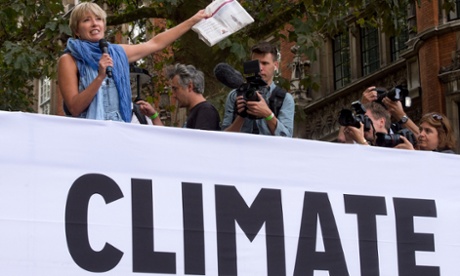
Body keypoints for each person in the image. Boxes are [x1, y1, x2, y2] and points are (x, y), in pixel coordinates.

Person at [58, 2, 209, 122]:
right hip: (89, 133)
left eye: (98, 19)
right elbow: (74, 108)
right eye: (86, 20)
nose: (94, 24)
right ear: (76, 31)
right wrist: (99, 77)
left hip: (119, 130)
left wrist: (192, 21)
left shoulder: (117, 53)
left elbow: (155, 43)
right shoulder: (69, 60)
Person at [221, 41, 295, 137]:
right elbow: (224, 137)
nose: (260, 68)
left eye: (265, 63)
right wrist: (241, 115)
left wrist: (268, 114)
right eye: (256, 63)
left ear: (276, 65)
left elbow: (287, 138)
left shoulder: (284, 98)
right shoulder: (235, 95)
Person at [137, 63, 221, 131]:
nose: (173, 95)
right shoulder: (199, 111)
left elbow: (200, 148)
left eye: (175, 89)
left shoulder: (205, 111)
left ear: (190, 87)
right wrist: (154, 116)